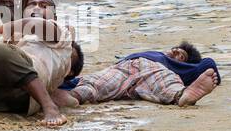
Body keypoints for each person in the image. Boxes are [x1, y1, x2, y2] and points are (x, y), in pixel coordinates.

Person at [52, 42, 219, 108]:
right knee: (98, 82)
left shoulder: (181, 68)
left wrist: (202, 75)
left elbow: (209, 65)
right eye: (175, 49)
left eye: (181, 55)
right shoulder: (156, 52)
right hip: (124, 68)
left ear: (185, 63)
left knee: (165, 82)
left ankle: (184, 95)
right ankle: (70, 93)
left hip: (154, 70)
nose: (175, 52)